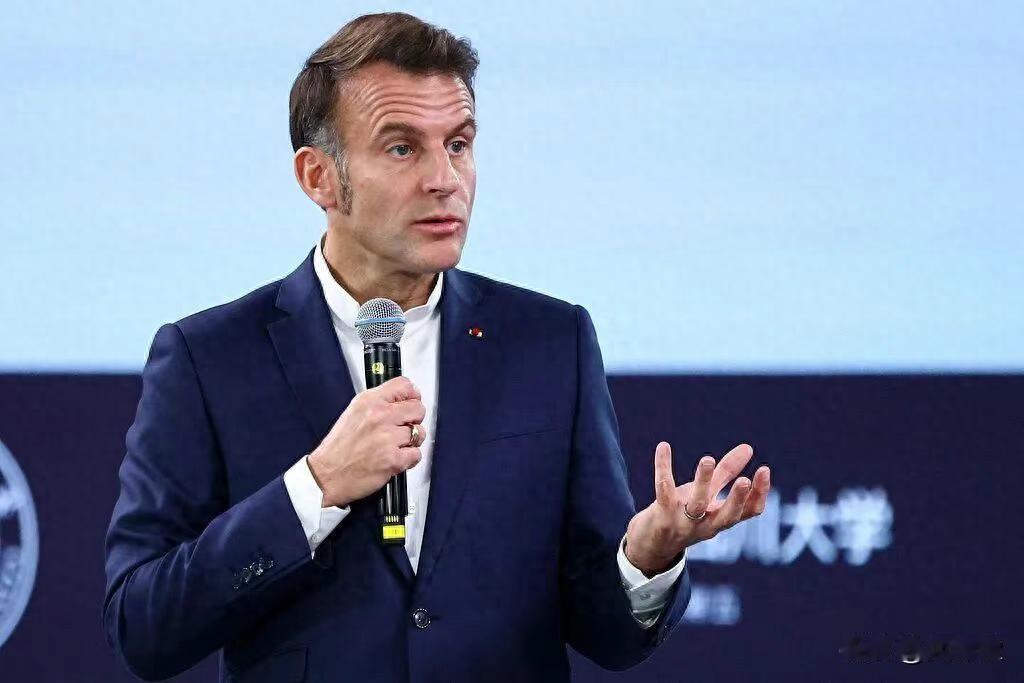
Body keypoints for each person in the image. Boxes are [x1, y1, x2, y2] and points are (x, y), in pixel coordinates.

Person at [102, 12, 772, 683]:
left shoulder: (550, 343)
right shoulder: (209, 357)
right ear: (318, 177)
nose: (445, 178)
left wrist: (647, 556)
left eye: (458, 144)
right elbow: (143, 625)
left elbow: (607, 635)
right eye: (402, 148)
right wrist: (314, 488)